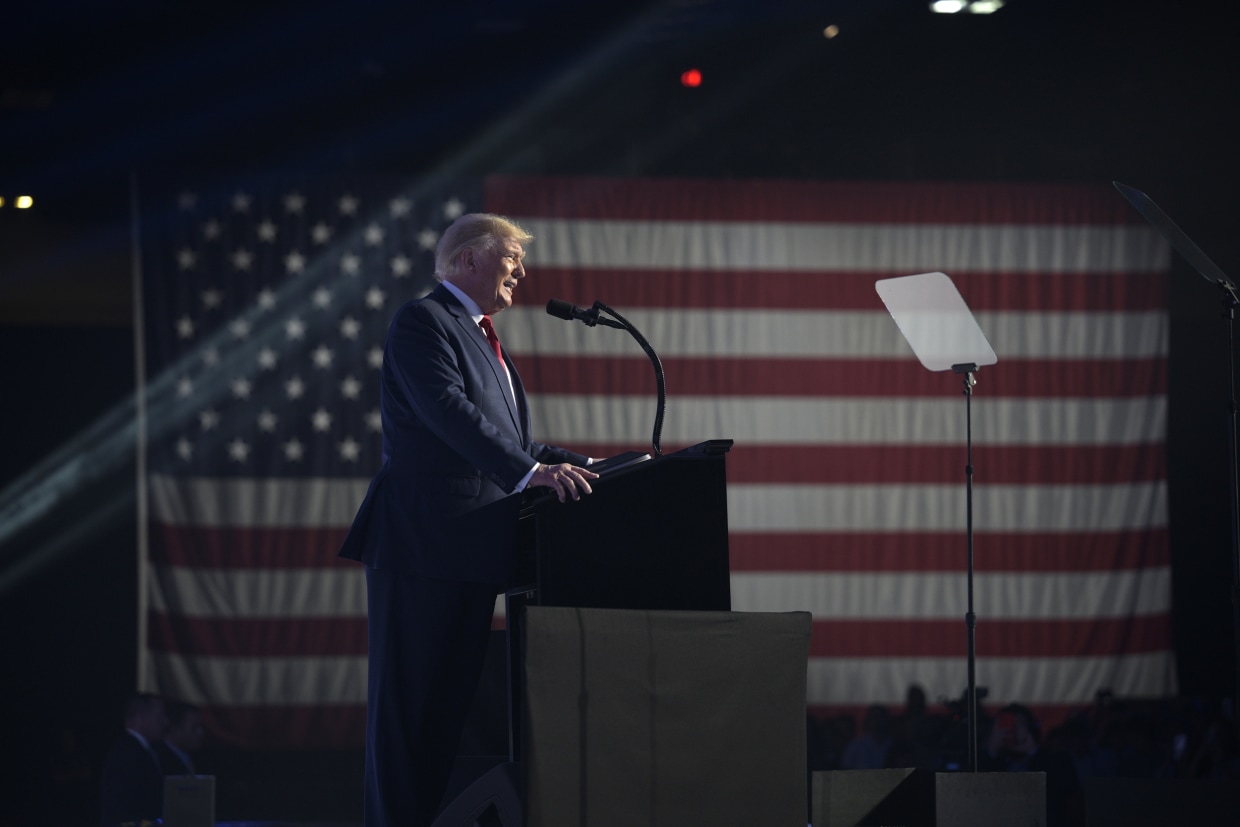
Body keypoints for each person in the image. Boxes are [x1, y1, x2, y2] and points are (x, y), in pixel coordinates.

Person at [339, 213, 598, 827]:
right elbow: (449, 412)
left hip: (473, 555)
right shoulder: (423, 321)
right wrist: (530, 472)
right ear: (469, 259)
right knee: (408, 723)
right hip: (422, 547)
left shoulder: (486, 340)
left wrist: (591, 466)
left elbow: (514, 444)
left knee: (444, 724)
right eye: (512, 257)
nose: (522, 272)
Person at [98, 693, 168, 827]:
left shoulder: (135, 752)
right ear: (141, 717)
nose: (166, 722)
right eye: (160, 717)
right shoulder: (128, 756)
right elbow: (124, 811)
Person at [155, 702, 204, 775]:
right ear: (175, 728)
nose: (200, 732)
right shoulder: (158, 760)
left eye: (201, 726)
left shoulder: (199, 758)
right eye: (194, 727)